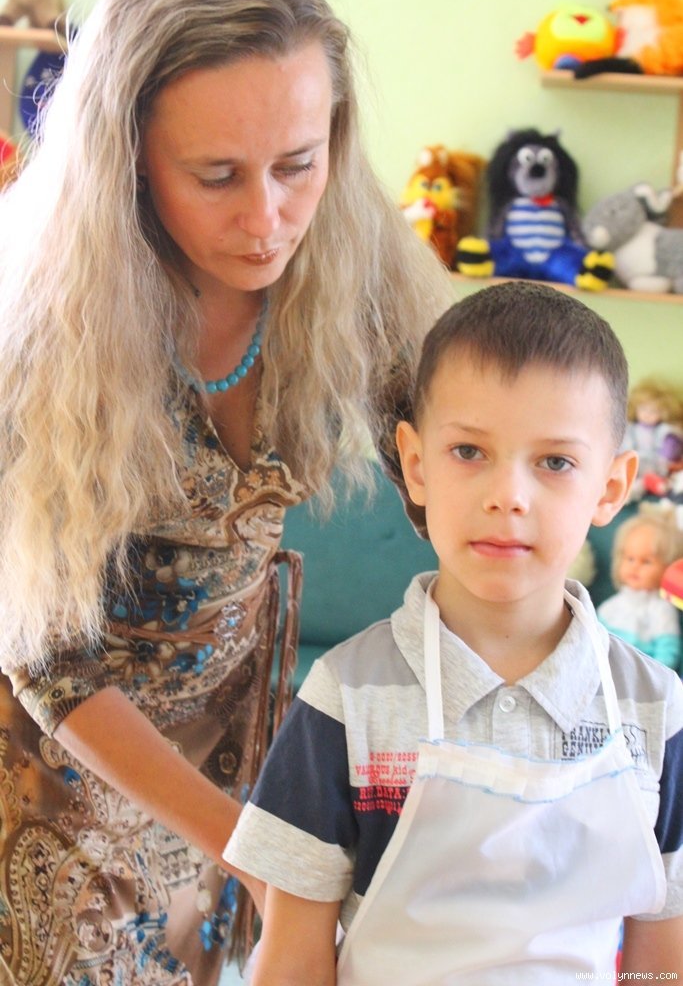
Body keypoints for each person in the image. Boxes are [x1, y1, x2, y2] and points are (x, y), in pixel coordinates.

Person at [0, 0, 453, 983]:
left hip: (232, 761)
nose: (267, 218)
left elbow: (453, 459)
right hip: (48, 779)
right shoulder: (34, 327)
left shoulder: (351, 260)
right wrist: (251, 845)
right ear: (126, 162)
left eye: (297, 163)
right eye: (216, 176)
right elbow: (44, 659)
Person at [226, 281, 683, 984]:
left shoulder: (655, 710)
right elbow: (291, 962)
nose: (508, 496)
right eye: (469, 451)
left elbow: (659, 965)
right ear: (415, 465)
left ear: (611, 488)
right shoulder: (347, 699)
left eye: (555, 462)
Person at [598, 512, 683, 670]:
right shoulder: (611, 606)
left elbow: (667, 654)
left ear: (667, 567)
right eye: (630, 558)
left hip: (642, 676)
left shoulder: (661, 610)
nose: (635, 566)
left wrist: (650, 678)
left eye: (646, 561)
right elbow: (592, 640)